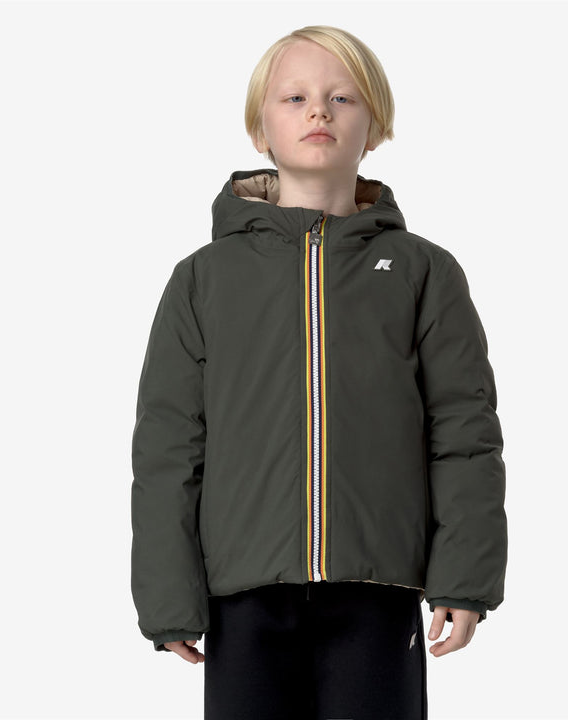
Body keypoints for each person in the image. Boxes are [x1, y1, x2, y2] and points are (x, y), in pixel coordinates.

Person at [130, 24, 508, 720]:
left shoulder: (423, 272)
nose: (318, 112)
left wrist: (464, 575)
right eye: (295, 97)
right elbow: (168, 447)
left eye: (342, 97)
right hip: (242, 594)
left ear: (375, 125)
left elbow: (464, 431)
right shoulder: (203, 280)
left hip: (378, 592)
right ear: (260, 129)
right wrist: (167, 596)